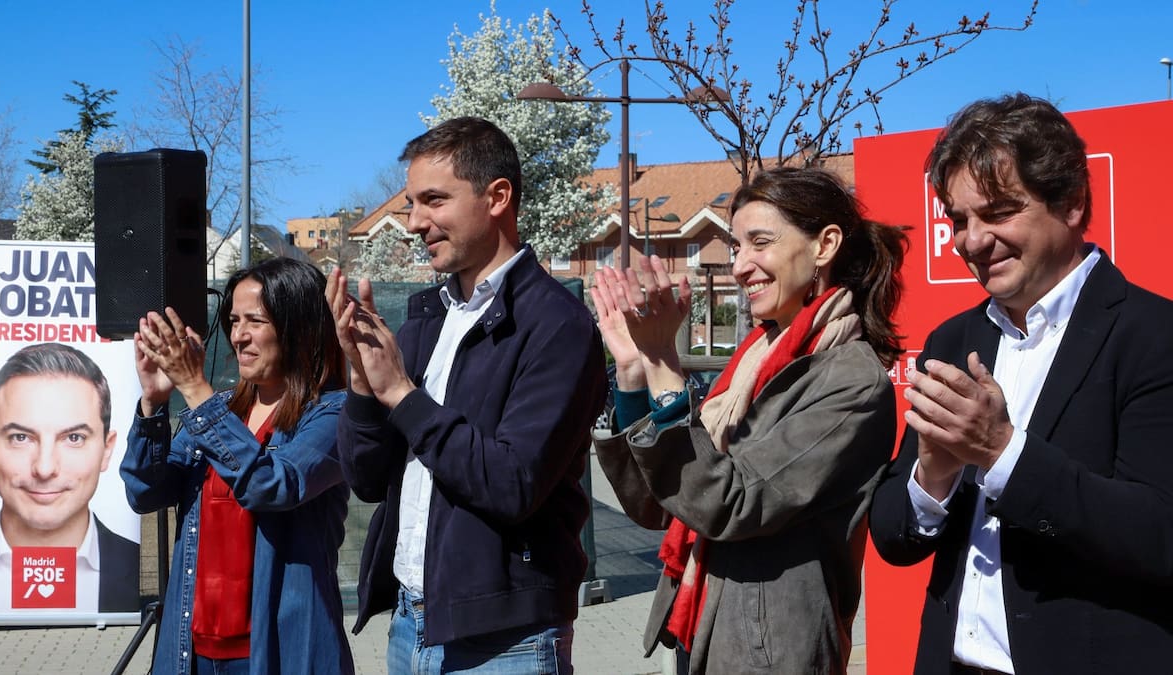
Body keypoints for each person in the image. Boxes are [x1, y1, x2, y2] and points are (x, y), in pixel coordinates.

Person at [868, 93, 1173, 674]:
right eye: (959, 220)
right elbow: (893, 538)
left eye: (999, 212)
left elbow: (1160, 534)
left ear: (1072, 203)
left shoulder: (1155, 336)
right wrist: (933, 477)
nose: (972, 240)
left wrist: (1001, 453)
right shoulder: (951, 341)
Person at [592, 167, 908, 674]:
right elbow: (662, 505)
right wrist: (634, 371)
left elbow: (732, 503)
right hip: (705, 628)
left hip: (773, 653)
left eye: (760, 243)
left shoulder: (851, 380)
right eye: (737, 247)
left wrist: (667, 369)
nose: (740, 266)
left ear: (825, 245)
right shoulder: (754, 360)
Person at [327, 116, 606, 674]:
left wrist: (402, 394)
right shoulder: (425, 321)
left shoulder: (558, 326)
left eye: (434, 200)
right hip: (410, 625)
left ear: (497, 197)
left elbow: (512, 484)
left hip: (506, 643)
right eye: (411, 204)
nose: (414, 222)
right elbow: (366, 479)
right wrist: (362, 384)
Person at [120, 258, 354, 675]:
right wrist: (154, 404)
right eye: (233, 321)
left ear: (299, 327)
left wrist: (195, 389)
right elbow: (145, 493)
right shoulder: (222, 410)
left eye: (255, 321)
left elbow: (272, 485)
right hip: (191, 650)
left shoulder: (333, 413)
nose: (239, 336)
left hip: (278, 652)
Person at [0, 342, 138, 614]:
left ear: (107, 450)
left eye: (73, 438)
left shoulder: (131, 566)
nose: (45, 468)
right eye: (20, 437)